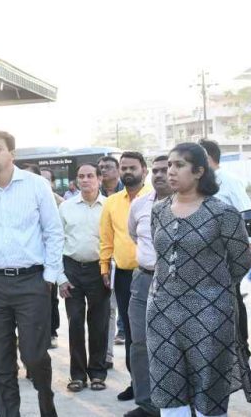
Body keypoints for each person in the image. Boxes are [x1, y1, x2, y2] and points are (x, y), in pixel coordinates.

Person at [0, 130, 72, 417]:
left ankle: (46, 403)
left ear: (12, 153)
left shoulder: (36, 186)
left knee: (34, 356)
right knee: (0, 361)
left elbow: (53, 231)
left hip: (31, 281)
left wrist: (49, 276)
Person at [147, 143, 251, 417]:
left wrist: (210, 291)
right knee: (168, 386)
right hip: (162, 312)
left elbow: (241, 261)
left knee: (208, 388)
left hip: (209, 314)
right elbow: (162, 257)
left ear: (198, 171)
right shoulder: (159, 210)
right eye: (169, 165)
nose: (170, 171)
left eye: (179, 165)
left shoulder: (223, 213)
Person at [199, 139, 251, 367]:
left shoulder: (229, 181)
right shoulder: (199, 184)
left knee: (233, 305)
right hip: (203, 258)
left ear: (207, 157)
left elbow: (248, 213)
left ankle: (242, 356)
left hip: (227, 257)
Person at [99, 151, 151, 402]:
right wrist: (104, 268)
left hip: (153, 274)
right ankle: (137, 384)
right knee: (131, 333)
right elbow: (106, 239)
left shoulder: (156, 198)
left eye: (133, 167)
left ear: (144, 169)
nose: (128, 171)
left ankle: (161, 386)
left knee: (156, 331)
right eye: (124, 168)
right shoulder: (111, 202)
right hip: (124, 276)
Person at [124, 155, 172, 417]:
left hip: (176, 284)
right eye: (155, 170)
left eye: (166, 169)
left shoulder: (189, 204)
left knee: (174, 345)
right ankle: (146, 404)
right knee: (140, 343)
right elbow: (134, 235)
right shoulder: (140, 205)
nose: (160, 175)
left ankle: (176, 404)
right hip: (143, 281)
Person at [58, 163, 110, 393]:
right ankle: (77, 375)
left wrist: (110, 270)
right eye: (81, 176)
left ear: (99, 179)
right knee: (75, 322)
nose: (85, 180)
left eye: (90, 176)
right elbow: (56, 242)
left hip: (100, 270)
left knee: (99, 323)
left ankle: (97, 373)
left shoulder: (110, 206)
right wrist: (60, 277)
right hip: (72, 269)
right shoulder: (66, 207)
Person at [24, 163, 61, 350]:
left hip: (47, 262)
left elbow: (56, 232)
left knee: (48, 301)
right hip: (29, 265)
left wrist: (53, 269)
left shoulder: (58, 202)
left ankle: (50, 333)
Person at [97, 155, 125, 361]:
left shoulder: (128, 193)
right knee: (108, 310)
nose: (104, 171)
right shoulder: (94, 196)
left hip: (125, 262)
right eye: (101, 168)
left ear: (118, 170)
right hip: (103, 262)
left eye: (108, 167)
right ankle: (106, 356)